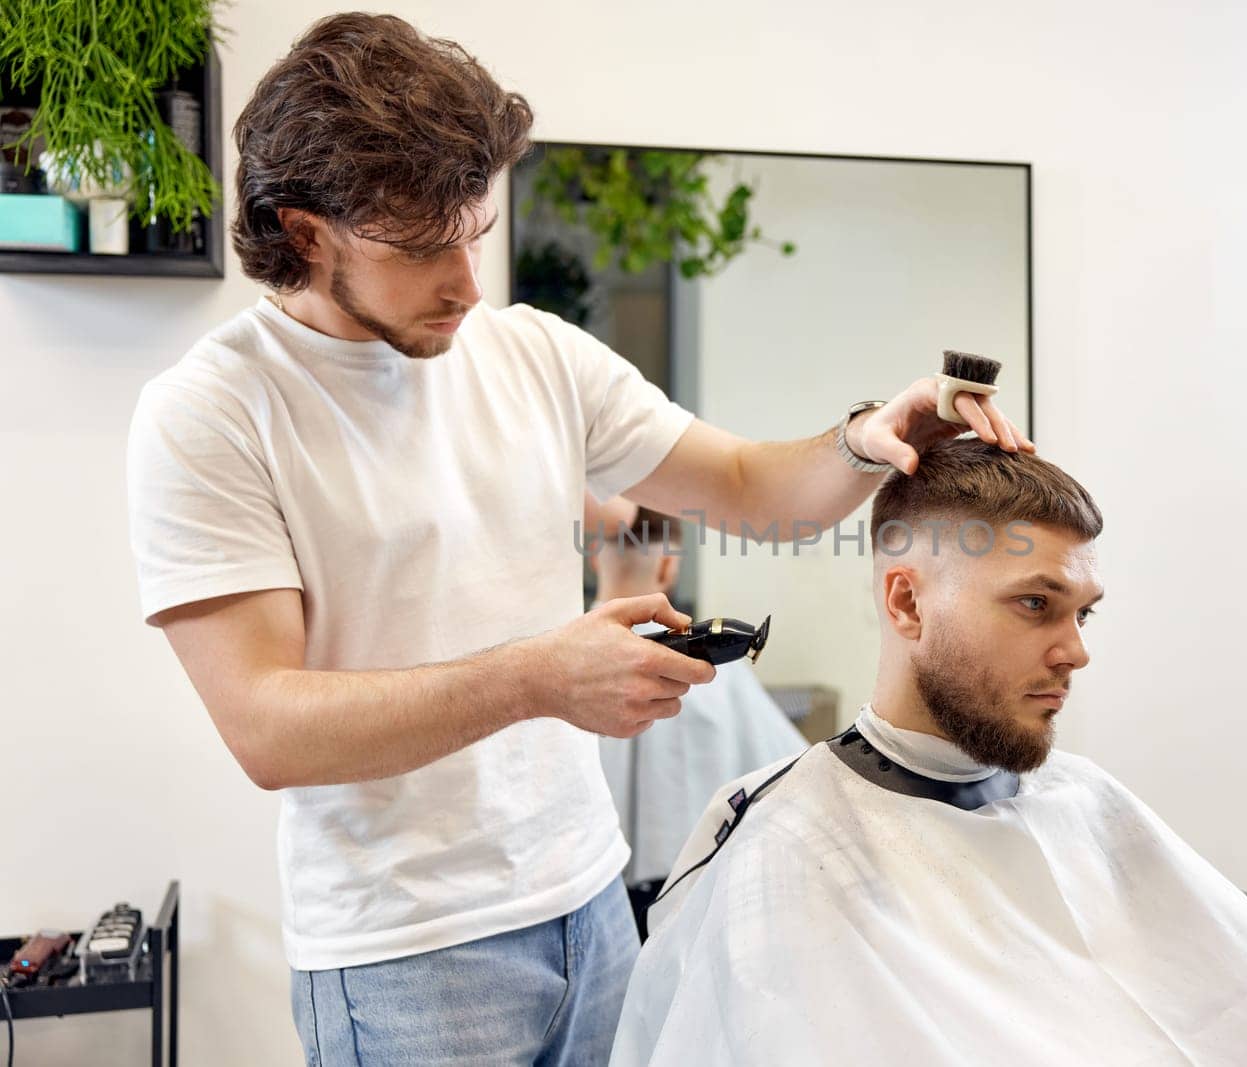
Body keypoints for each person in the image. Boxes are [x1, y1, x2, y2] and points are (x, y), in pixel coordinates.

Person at [123, 13, 1030, 1066]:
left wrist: (867, 440)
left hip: (594, 905)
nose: (467, 279)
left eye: (474, 229)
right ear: (305, 230)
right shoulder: (214, 412)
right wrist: (542, 675)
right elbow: (266, 726)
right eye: (423, 247)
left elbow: (742, 482)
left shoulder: (532, 353)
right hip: (405, 958)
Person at [610, 437, 1247, 1067]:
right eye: (1036, 604)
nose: (1075, 651)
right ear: (907, 601)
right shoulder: (790, 849)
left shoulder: (1086, 801)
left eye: (1084, 613)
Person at [586, 499, 807, 935]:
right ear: (668, 565)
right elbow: (792, 774)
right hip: (687, 896)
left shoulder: (553, 666)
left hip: (581, 897)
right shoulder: (714, 672)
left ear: (595, 559)